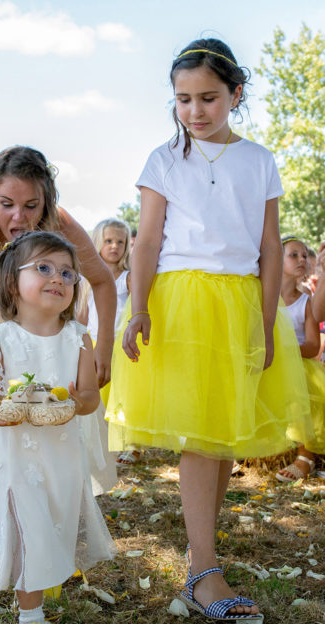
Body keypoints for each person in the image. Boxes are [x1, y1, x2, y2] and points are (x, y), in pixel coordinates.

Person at [106, 39, 311, 621]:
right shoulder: (164, 159)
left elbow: (270, 246)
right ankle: (203, 570)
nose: (195, 111)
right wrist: (138, 306)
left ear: (235, 95)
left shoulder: (259, 160)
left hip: (242, 301)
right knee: (200, 435)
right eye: (183, 100)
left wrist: (268, 321)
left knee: (223, 432)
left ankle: (204, 555)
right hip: (184, 300)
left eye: (208, 98)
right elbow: (147, 240)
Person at [0, 145, 116, 525]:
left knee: (46, 405)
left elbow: (103, 281)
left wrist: (104, 350)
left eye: (31, 205)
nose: (20, 216)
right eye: (7, 203)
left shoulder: (58, 223)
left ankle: (48, 485)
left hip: (44, 334)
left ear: (45, 201)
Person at [0, 231, 115, 624]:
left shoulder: (79, 339)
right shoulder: (1, 339)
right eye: (45, 268)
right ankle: (29, 611)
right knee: (27, 523)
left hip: (64, 453)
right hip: (19, 454)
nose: (59, 278)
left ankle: (48, 575)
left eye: (68, 273)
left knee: (58, 518)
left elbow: (90, 396)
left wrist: (75, 401)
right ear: (12, 282)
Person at [88, 218, 139, 467]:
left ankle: (129, 444)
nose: (114, 246)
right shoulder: (87, 276)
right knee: (96, 392)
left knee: (122, 395)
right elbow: (82, 311)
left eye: (120, 242)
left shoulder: (128, 278)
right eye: (108, 241)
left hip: (118, 342)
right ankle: (97, 440)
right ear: (98, 242)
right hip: (93, 339)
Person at [275, 236, 325, 482]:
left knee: (305, 391)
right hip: (270, 361)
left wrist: (284, 350)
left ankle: (305, 456)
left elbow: (314, 345)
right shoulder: (265, 299)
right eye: (293, 255)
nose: (302, 259)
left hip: (298, 361)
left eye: (305, 255)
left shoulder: (307, 302)